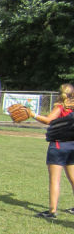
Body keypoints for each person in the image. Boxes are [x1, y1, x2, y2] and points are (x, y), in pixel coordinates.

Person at [29, 83, 74, 218]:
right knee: (73, 178)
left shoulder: (60, 107)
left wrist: (32, 114)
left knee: (55, 180)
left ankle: (52, 211)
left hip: (58, 146)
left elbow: (48, 120)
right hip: (72, 145)